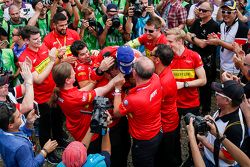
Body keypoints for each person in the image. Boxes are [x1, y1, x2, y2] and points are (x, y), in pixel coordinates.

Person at [49, 62, 125, 152]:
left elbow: (82, 91)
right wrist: (122, 74)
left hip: (76, 127)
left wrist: (97, 74)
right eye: (73, 72)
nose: (75, 73)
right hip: (87, 133)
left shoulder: (61, 90)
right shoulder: (76, 98)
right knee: (92, 153)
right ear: (68, 80)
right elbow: (104, 89)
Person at [18, 25, 62, 164]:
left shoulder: (43, 47)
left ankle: (58, 140)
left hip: (53, 91)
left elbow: (51, 66)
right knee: (45, 126)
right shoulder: (24, 59)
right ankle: (47, 152)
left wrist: (57, 58)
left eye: (39, 38)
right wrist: (51, 59)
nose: (39, 41)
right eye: (35, 39)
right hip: (41, 98)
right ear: (26, 41)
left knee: (57, 118)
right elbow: (37, 79)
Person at [113, 56, 162, 167]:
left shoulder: (133, 99)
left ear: (134, 73)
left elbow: (116, 112)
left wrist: (117, 88)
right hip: (157, 131)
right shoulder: (156, 78)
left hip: (143, 140)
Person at [198, 80, 247, 166]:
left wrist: (206, 143)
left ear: (227, 101)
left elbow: (229, 159)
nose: (215, 94)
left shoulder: (235, 128)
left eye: (218, 93)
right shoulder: (223, 109)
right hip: (209, 158)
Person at [186, 1, 220, 115]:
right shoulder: (196, 22)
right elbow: (187, 35)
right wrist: (195, 38)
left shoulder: (214, 25)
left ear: (210, 12)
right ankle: (196, 105)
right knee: (195, 82)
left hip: (207, 61)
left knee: (206, 87)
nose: (200, 11)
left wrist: (193, 37)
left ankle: (206, 111)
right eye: (199, 9)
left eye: (204, 10)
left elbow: (202, 44)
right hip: (195, 58)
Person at [150, 44, 181, 167]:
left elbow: (151, 105)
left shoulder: (163, 82)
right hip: (169, 121)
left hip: (165, 125)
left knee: (164, 159)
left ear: (157, 60)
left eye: (151, 55)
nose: (149, 57)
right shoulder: (163, 71)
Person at [0, 102, 58, 167]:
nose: (22, 115)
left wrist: (28, 123)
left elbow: (18, 133)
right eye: (18, 116)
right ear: (10, 125)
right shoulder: (21, 147)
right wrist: (45, 151)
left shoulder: (2, 131)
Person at [166, 27, 206, 117]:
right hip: (172, 103)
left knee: (193, 129)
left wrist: (184, 84)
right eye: (167, 41)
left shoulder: (194, 56)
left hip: (191, 103)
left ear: (180, 41)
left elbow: (203, 80)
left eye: (170, 42)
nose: (167, 44)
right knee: (173, 131)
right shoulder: (166, 57)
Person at [206, 0, 249, 75]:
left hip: (234, 68)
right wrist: (215, 39)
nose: (225, 14)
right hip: (222, 64)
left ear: (235, 13)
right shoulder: (222, 24)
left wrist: (219, 41)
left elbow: (238, 50)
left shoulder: (242, 27)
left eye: (229, 12)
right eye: (223, 11)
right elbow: (220, 41)